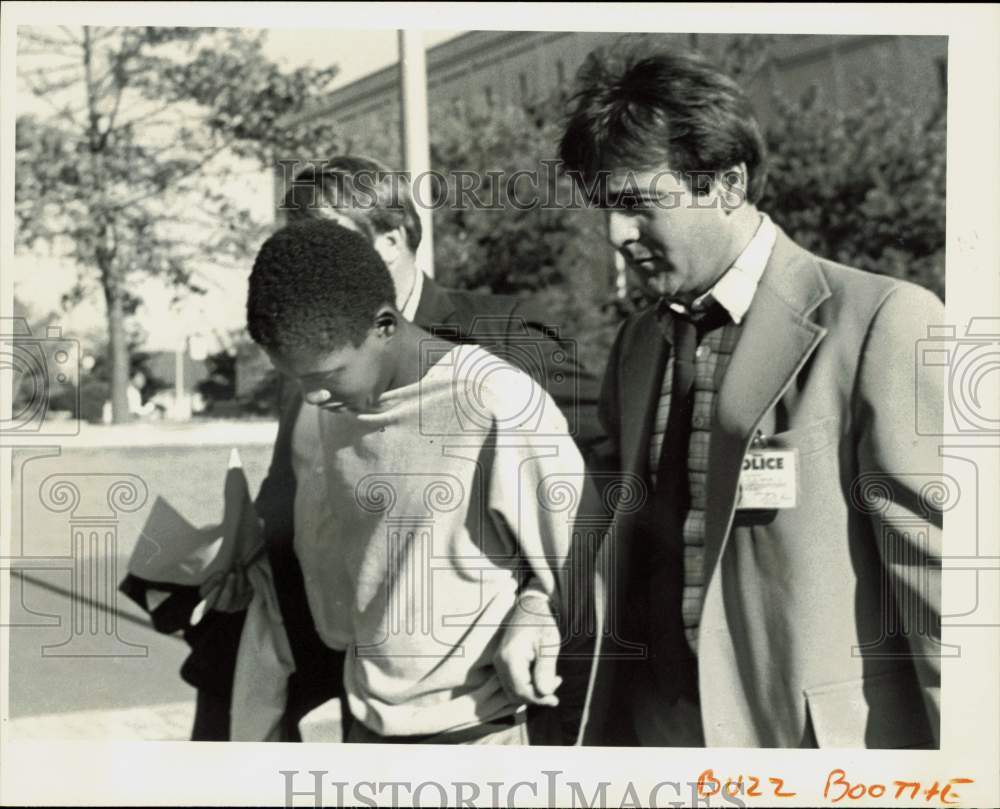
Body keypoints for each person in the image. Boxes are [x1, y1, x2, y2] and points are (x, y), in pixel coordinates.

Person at [121, 156, 600, 743]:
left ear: (391, 239)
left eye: (327, 239)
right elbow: (298, 493)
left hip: (481, 700)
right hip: (357, 669)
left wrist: (538, 602)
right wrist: (244, 560)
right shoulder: (311, 358)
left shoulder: (500, 353)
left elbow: (593, 495)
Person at [559, 48, 943, 748]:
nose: (616, 235)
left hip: (811, 752)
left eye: (637, 204)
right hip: (661, 736)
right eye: (606, 210)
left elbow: (945, 592)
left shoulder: (883, 323)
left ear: (728, 183)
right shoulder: (638, 345)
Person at [237, 219, 583, 743]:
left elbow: (579, 566)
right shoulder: (328, 413)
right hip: (369, 728)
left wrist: (536, 606)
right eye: (298, 382)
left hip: (484, 732)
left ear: (384, 325)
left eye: (327, 376)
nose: (313, 398)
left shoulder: (496, 401)